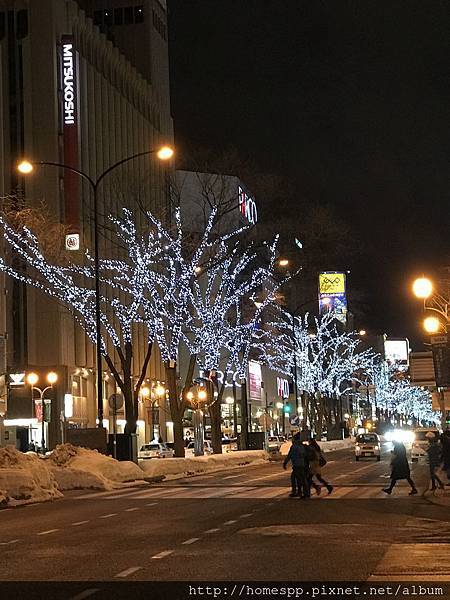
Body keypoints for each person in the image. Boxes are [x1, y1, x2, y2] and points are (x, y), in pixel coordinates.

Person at [283, 433, 310, 498]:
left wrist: (285, 463)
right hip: (302, 464)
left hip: (296, 465)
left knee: (295, 478)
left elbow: (290, 455)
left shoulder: (294, 447)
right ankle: (305, 493)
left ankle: (297, 492)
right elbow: (305, 455)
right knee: (302, 479)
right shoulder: (302, 446)